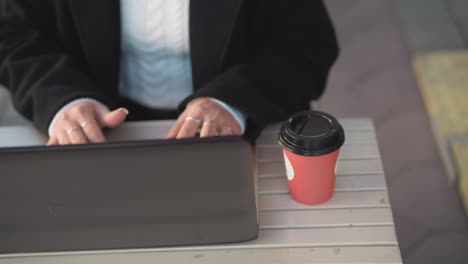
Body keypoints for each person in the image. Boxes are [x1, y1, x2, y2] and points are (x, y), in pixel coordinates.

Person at [0, 0, 338, 145]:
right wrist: (62, 98)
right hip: (105, 131)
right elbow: (13, 34)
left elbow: (305, 46)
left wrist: (232, 99)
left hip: (241, 129)